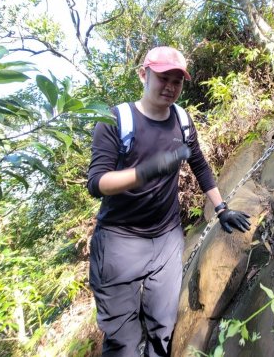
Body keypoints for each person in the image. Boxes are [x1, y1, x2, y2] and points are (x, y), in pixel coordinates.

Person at [87, 46, 251, 357]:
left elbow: (199, 164)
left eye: (177, 80)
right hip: (119, 242)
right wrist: (147, 171)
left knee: (162, 327)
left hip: (166, 239)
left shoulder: (182, 119)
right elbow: (97, 183)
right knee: (122, 340)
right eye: (163, 77)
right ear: (143, 74)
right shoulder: (116, 120)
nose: (170, 87)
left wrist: (221, 209)